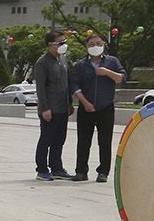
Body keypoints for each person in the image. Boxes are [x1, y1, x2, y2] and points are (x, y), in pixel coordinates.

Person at [70, 30, 125, 182]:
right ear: (86, 46)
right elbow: (74, 85)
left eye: (98, 44)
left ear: (104, 45)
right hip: (86, 108)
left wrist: (107, 72)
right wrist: (85, 102)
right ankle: (81, 171)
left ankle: (103, 171)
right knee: (83, 140)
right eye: (92, 44)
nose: (95, 46)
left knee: (105, 140)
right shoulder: (81, 65)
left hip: (106, 107)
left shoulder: (112, 61)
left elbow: (121, 78)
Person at [32, 31, 74, 181]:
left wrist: (70, 103)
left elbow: (67, 83)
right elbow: (41, 88)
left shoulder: (63, 60)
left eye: (64, 42)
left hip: (63, 107)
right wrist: (45, 108)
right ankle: (42, 169)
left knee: (59, 139)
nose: (63, 45)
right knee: (46, 139)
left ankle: (57, 167)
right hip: (50, 108)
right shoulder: (42, 62)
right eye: (59, 43)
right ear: (50, 45)